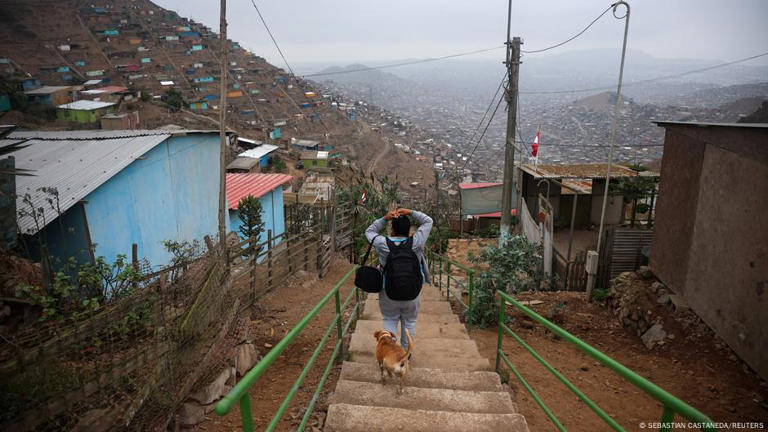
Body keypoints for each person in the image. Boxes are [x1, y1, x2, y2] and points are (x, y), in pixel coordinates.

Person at [365, 208, 433, 351]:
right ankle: (405, 358)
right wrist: (410, 212)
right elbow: (428, 221)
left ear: (392, 231)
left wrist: (385, 218)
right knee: (409, 324)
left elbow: (369, 231)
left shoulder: (383, 243)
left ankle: (390, 356)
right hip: (412, 292)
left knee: (389, 321)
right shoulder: (416, 242)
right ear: (409, 231)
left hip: (388, 292)